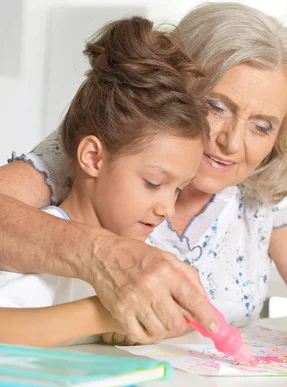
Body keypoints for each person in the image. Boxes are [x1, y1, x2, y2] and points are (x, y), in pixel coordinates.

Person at [0, 2, 287, 351]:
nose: (231, 142)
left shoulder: (271, 176)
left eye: (262, 126)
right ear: (176, 85)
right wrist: (102, 266)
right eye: (216, 106)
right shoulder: (111, 144)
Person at [0, 17, 209, 347]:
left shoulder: (137, 259)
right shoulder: (28, 248)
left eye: (179, 189)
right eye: (153, 183)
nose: (167, 208)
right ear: (93, 158)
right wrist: (101, 315)